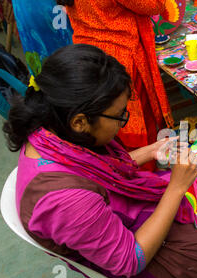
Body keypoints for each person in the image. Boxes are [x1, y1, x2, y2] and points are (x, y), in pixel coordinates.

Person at [3, 44, 197, 278]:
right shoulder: (64, 201)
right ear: (80, 122)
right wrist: (175, 188)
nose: (122, 122)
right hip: (134, 253)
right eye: (119, 116)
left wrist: (151, 150)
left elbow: (95, 171)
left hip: (120, 212)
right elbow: (130, 260)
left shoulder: (50, 132)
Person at [55, 0, 175, 162]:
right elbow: (152, 6)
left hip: (88, 54)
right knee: (133, 124)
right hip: (119, 57)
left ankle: (119, 168)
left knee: (105, 124)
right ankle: (143, 176)